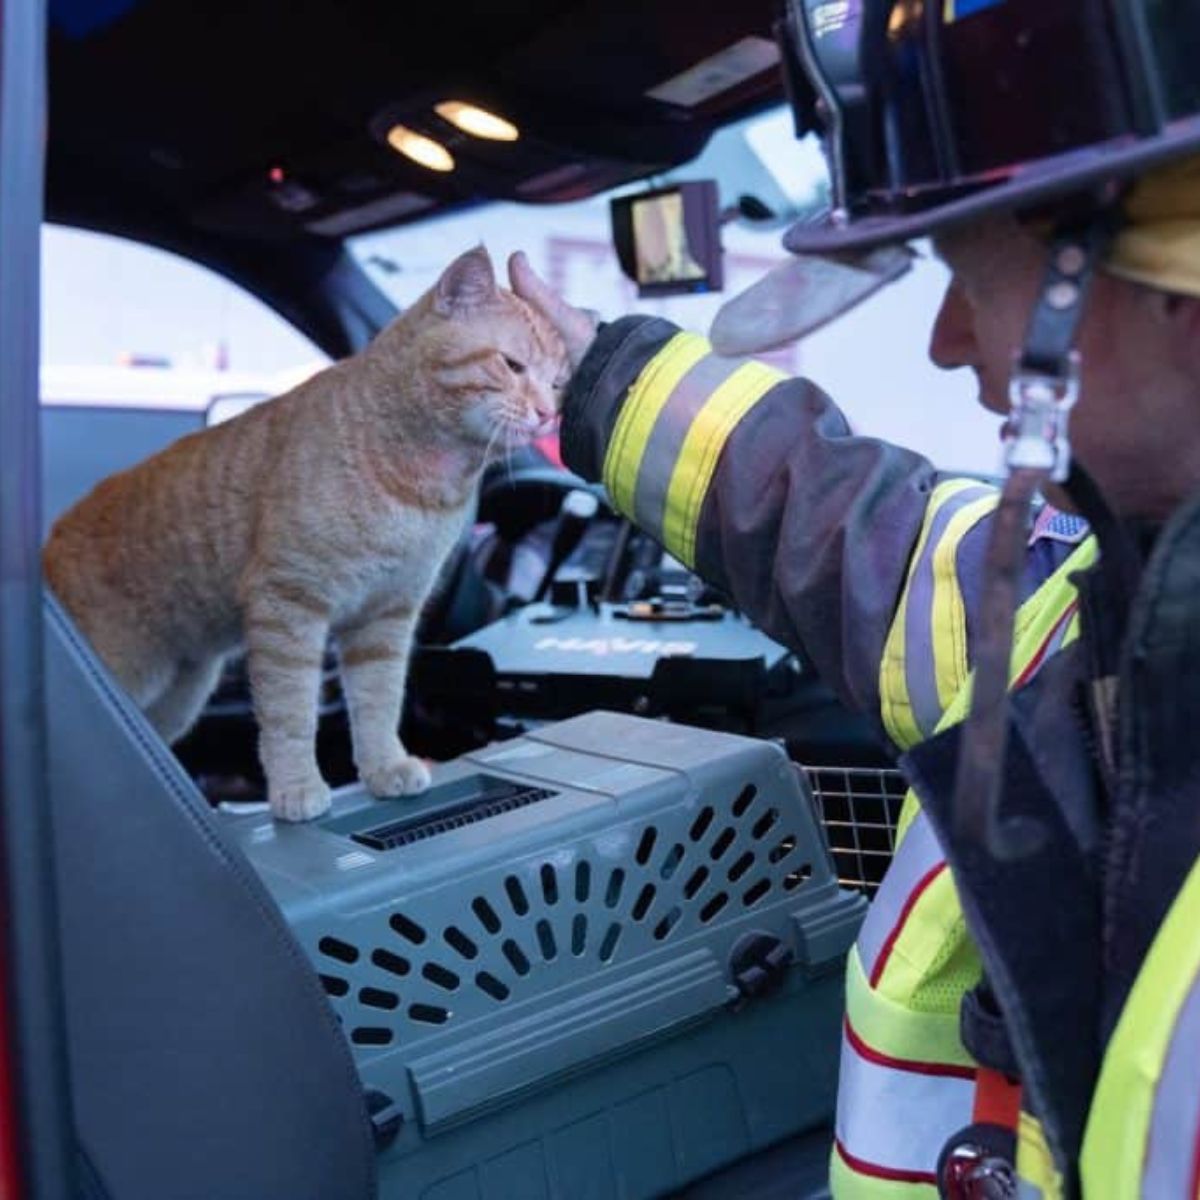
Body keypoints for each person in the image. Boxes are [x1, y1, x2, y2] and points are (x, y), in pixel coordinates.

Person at [508, 4, 1200, 1197]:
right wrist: (604, 385)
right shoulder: (1095, 593)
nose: (944, 344)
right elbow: (862, 534)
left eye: (971, 278)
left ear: (1169, 297)